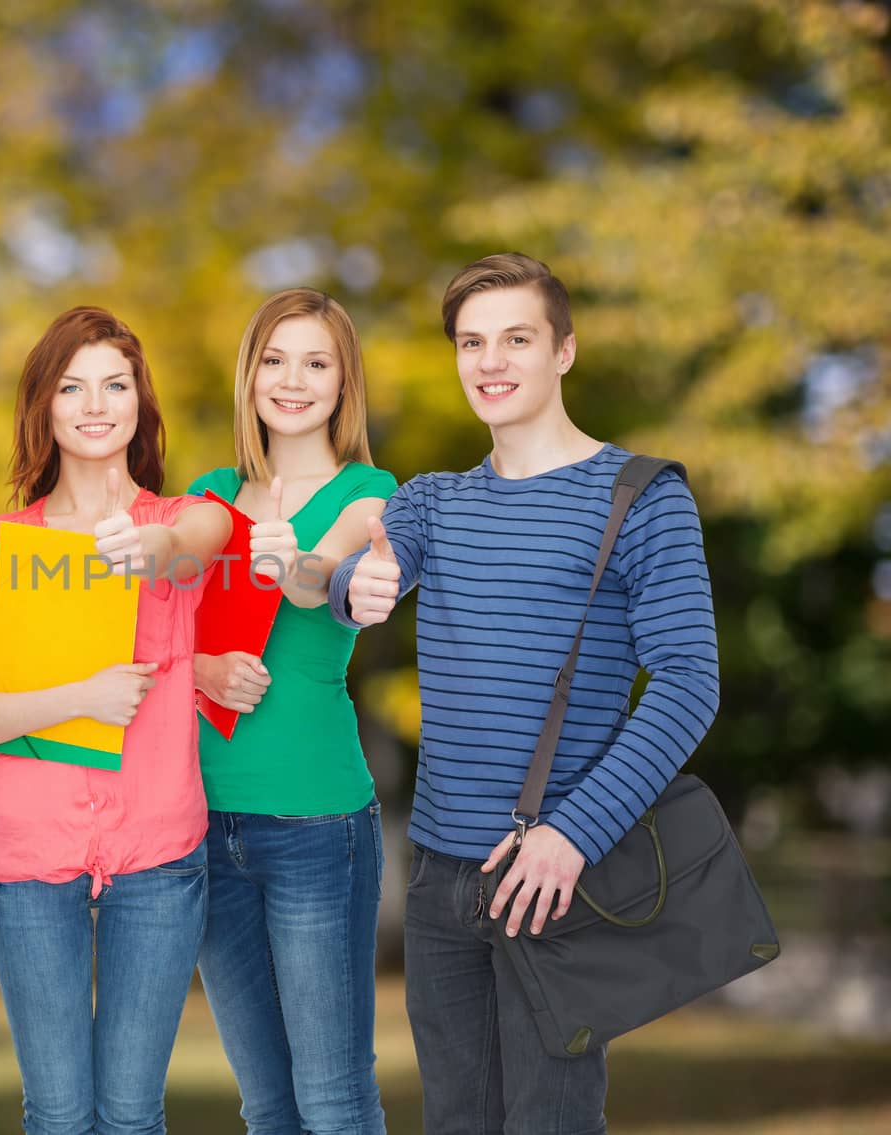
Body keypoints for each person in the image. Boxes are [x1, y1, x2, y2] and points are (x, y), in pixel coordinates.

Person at [329, 254, 720, 1134]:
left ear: (564, 351)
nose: (490, 361)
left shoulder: (642, 497)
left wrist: (572, 836)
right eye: (472, 342)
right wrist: (359, 584)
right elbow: (365, 570)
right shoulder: (435, 502)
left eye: (516, 338)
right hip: (438, 879)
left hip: (558, 880)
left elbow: (689, 684)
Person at [0, 306, 231, 1135]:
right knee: (59, 1113)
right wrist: (81, 698)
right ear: (44, 406)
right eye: (72, 386)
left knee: (131, 1112)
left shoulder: (187, 519)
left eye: (115, 384)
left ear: (140, 401)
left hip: (160, 849)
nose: (96, 404)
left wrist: (155, 548)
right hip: (30, 853)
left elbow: (203, 538)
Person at [189, 288, 396, 1134]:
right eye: (275, 359)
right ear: (250, 375)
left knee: (334, 1099)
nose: (293, 380)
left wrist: (293, 561)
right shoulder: (206, 492)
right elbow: (159, 638)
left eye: (317, 362)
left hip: (317, 822)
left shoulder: (371, 491)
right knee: (267, 1104)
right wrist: (204, 666)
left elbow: (328, 581)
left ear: (344, 382)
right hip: (203, 821)